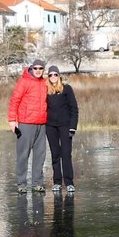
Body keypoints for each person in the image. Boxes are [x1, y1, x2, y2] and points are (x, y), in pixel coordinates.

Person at [7, 57, 49, 192]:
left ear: (43, 70)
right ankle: (21, 184)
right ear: (31, 68)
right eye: (35, 68)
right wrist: (12, 120)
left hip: (41, 124)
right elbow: (14, 101)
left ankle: (37, 183)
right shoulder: (24, 81)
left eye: (40, 68)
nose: (38, 70)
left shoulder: (45, 83)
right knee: (23, 155)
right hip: (25, 123)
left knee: (40, 155)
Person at [44, 65, 79, 194]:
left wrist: (73, 127)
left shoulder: (67, 89)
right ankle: (57, 182)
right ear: (48, 77)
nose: (53, 77)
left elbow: (74, 109)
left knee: (66, 153)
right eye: (50, 75)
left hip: (65, 125)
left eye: (55, 74)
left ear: (59, 76)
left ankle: (69, 182)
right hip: (50, 126)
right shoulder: (45, 90)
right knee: (55, 154)